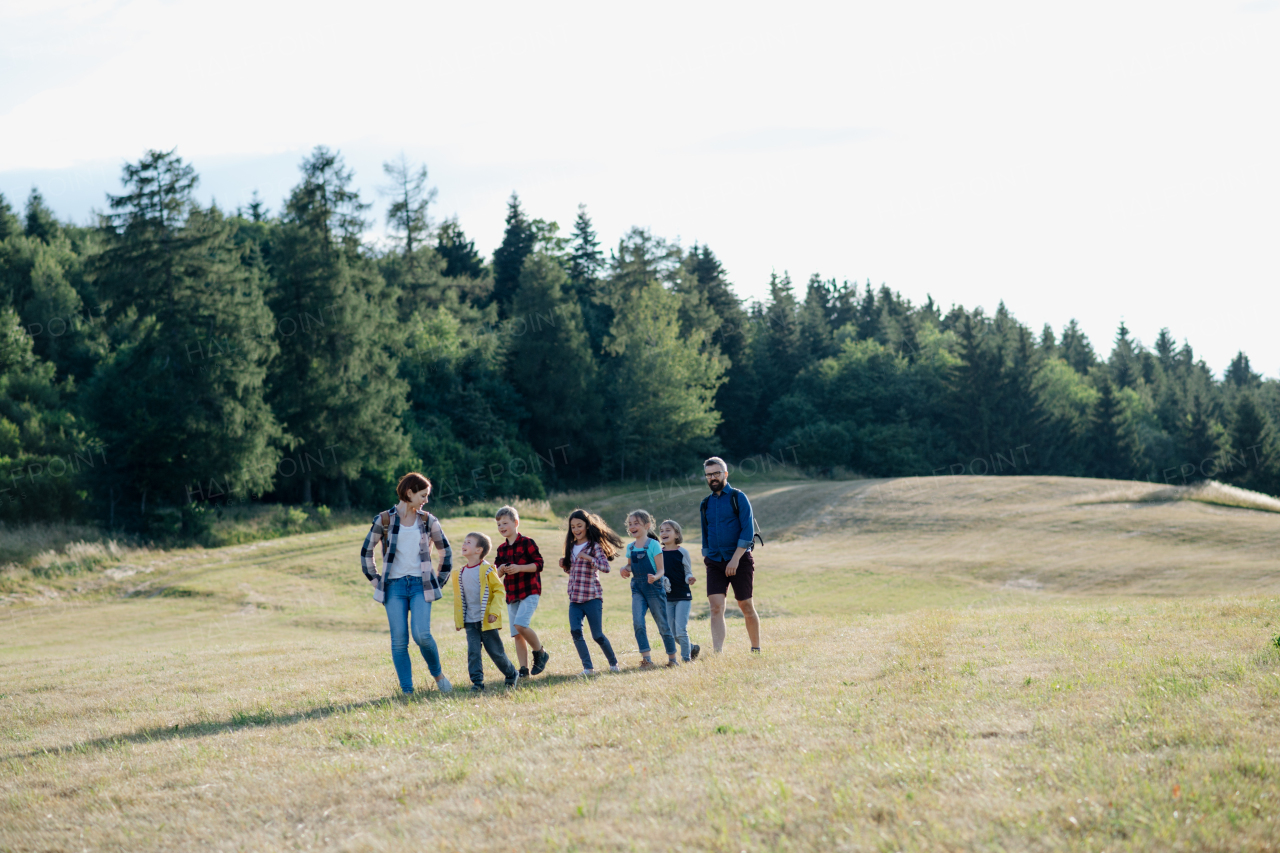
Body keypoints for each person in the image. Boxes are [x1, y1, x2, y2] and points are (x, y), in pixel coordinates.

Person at [359, 472, 453, 695]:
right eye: (423, 495)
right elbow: (366, 551)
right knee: (399, 640)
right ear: (409, 493)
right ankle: (407, 690)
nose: (426, 500)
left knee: (422, 635)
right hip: (394, 587)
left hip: (421, 585)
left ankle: (438, 675)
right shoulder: (384, 519)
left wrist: (437, 582)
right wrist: (375, 580)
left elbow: (446, 553)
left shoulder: (428, 520)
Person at [700, 456, 761, 653]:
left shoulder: (738, 497)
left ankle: (755, 649)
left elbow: (747, 531)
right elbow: (705, 532)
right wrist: (707, 556)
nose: (713, 478)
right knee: (715, 607)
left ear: (725, 474)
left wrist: (735, 559)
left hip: (739, 560)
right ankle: (717, 652)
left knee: (745, 605)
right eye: (709, 475)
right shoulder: (705, 504)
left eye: (716, 473)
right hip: (715, 562)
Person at [452, 532, 520, 692]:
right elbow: (459, 599)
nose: (464, 544)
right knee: (473, 652)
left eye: (468, 542)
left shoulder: (488, 569)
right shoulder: (460, 573)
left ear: (478, 550)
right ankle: (477, 683)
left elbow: (499, 591)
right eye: (464, 541)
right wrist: (459, 620)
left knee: (496, 652)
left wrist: (494, 612)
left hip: (487, 621)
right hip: (470, 622)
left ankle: (511, 673)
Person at [559, 509, 623, 676]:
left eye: (579, 525)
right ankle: (588, 668)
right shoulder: (571, 547)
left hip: (592, 597)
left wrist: (588, 558)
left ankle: (614, 663)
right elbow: (574, 571)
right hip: (575, 598)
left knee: (597, 635)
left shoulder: (594, 546)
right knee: (575, 631)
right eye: (573, 527)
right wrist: (565, 566)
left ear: (587, 526)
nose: (576, 529)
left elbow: (605, 567)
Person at [494, 505, 550, 678]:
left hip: (529, 591)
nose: (502, 527)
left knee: (520, 624)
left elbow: (539, 564)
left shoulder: (527, 542)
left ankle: (540, 652)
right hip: (512, 594)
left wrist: (519, 568)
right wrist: (501, 569)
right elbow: (496, 573)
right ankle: (523, 669)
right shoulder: (501, 549)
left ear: (516, 522)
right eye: (498, 525)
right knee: (517, 634)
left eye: (505, 523)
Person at [619, 510, 678, 669]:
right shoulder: (630, 547)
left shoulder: (653, 545)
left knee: (662, 624)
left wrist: (655, 577)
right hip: (638, 589)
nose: (632, 526)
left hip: (654, 589)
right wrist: (624, 568)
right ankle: (646, 659)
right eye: (630, 524)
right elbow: (630, 565)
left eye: (636, 523)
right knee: (638, 622)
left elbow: (661, 570)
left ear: (647, 525)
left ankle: (672, 659)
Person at [658, 519, 699, 663]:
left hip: (683, 596)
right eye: (662, 530)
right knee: (672, 633)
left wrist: (690, 578)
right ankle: (692, 647)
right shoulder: (658, 553)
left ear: (677, 534)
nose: (664, 533)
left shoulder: (683, 552)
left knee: (681, 630)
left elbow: (688, 572)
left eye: (668, 530)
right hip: (667, 598)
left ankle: (686, 659)